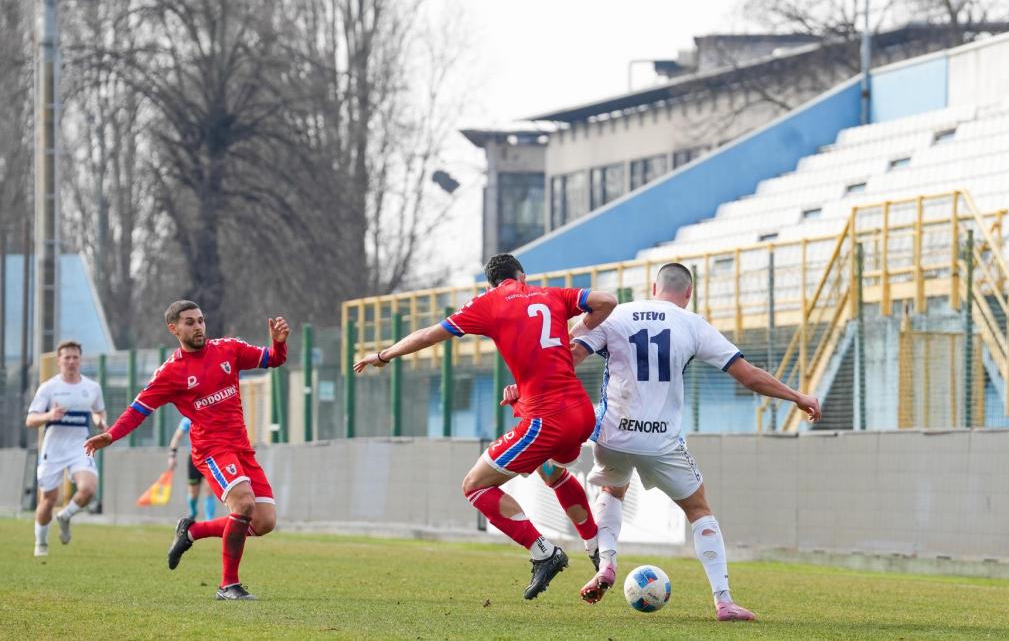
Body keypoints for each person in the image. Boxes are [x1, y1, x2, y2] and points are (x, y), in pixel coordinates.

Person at [506, 263, 821, 621]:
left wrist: (525, 392)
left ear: (653, 286)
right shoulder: (692, 323)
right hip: (662, 441)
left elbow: (566, 359)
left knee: (612, 492)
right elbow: (749, 376)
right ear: (688, 293)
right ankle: (724, 601)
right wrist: (798, 397)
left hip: (614, 433)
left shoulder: (615, 314)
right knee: (699, 509)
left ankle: (606, 564)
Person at [354, 253, 617, 599]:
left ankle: (544, 553)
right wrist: (575, 335)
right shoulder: (551, 295)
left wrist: (384, 355)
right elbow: (607, 301)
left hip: (548, 420)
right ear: (522, 276)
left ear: (492, 284)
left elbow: (428, 335)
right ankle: (596, 546)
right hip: (581, 413)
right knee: (549, 470)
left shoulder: (488, 302)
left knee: (474, 485)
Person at [85, 300, 289, 601]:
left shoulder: (228, 349)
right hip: (211, 449)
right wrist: (111, 435)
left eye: (201, 321)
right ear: (174, 328)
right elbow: (139, 409)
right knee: (244, 505)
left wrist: (278, 343)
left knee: (264, 521)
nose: (198, 327)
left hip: (241, 447)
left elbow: (272, 359)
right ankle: (228, 585)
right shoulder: (171, 372)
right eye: (190, 322)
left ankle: (191, 531)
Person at [26, 340, 107, 557]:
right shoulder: (49, 388)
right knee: (48, 500)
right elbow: (31, 419)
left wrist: (100, 421)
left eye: (75, 357)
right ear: (59, 361)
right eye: (67, 357)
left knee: (89, 488)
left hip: (79, 447)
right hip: (53, 450)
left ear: (80, 360)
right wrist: (48, 416)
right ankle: (41, 542)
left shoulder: (92, 387)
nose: (71, 361)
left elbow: (99, 411)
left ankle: (65, 516)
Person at [168, 418, 218, 521]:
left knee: (209, 490)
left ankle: (209, 520)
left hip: (210, 458)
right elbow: (177, 436)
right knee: (193, 493)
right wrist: (172, 456)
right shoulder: (187, 419)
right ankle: (192, 513)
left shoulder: (210, 415)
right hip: (194, 459)